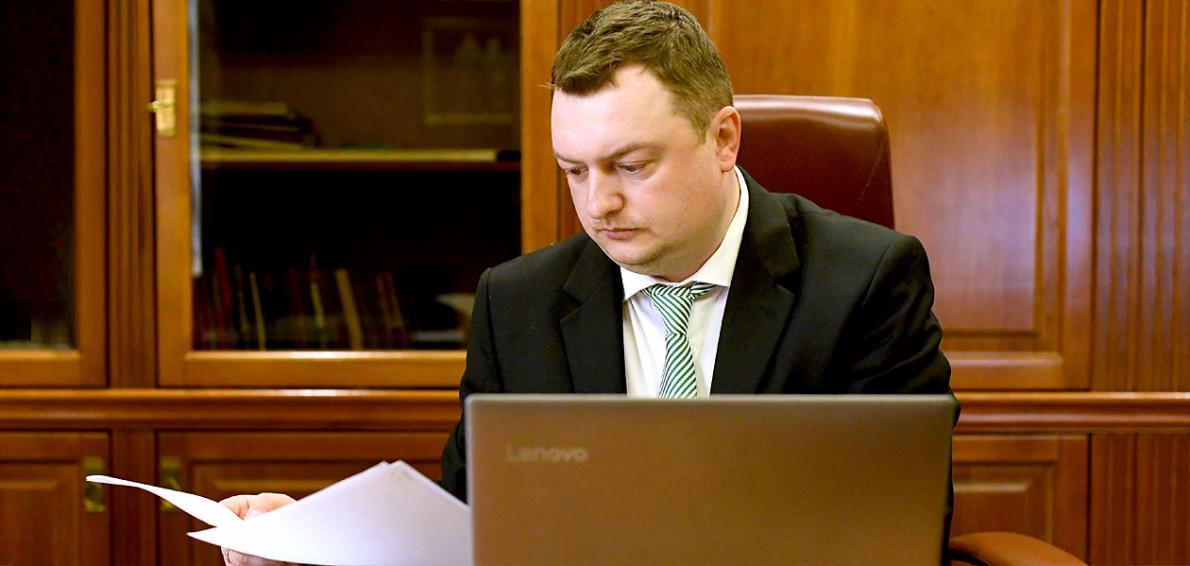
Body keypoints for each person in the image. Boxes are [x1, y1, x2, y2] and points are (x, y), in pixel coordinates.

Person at [220, 1, 952, 564]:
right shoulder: (517, 303)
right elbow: (473, 525)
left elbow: (897, 526)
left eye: (631, 166)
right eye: (574, 171)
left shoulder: (866, 282)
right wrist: (317, 537)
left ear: (724, 139)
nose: (598, 203)